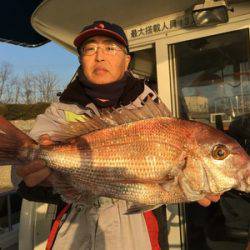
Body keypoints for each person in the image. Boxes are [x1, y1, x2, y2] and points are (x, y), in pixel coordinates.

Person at [14, 20, 220, 250]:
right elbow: (20, 174)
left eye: (110, 48)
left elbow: (163, 186)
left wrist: (188, 186)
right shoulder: (59, 112)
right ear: (81, 59)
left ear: (127, 60)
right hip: (73, 225)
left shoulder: (153, 111)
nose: (100, 56)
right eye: (90, 49)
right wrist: (34, 176)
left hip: (136, 229)